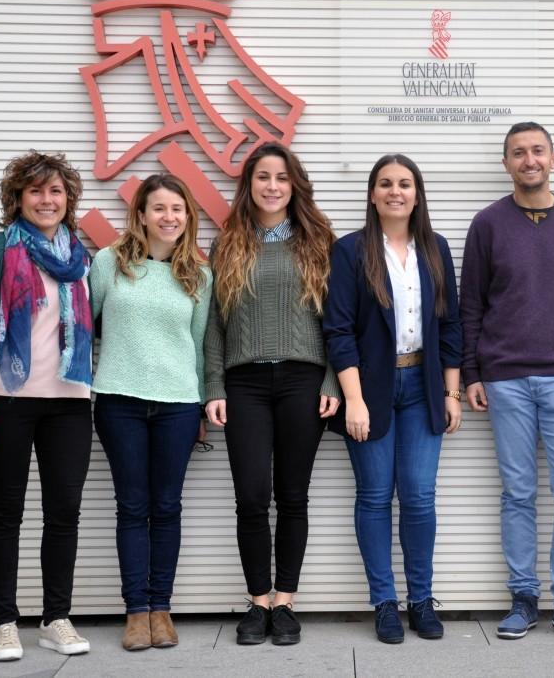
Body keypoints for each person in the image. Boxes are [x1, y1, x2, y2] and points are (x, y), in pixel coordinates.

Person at [459, 122, 554, 644]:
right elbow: (471, 304)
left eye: (538, 150)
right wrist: (472, 373)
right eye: (518, 153)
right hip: (506, 379)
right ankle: (523, 597)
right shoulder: (487, 224)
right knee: (518, 493)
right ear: (506, 163)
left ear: (553, 158)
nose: (529, 160)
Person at [0, 151, 93, 661]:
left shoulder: (83, 259)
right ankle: (4, 623)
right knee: (5, 513)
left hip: (70, 402)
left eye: (56, 191)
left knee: (64, 514)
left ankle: (56, 618)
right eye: (35, 190)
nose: (46, 199)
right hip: (4, 400)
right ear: (17, 198)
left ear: (68, 199)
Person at [204, 142, 340, 647]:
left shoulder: (319, 242)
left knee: (293, 494)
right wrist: (214, 386)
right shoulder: (227, 244)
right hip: (244, 385)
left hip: (304, 382)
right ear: (249, 184)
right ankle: (257, 601)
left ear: (294, 185)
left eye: (282, 177)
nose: (272, 186)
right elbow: (214, 325)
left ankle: (285, 603)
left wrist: (332, 380)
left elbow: (339, 321)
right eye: (263, 176)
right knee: (251, 496)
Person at [323, 154, 462, 644]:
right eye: (385, 183)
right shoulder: (350, 251)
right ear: (372, 194)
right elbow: (338, 330)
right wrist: (354, 400)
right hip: (371, 388)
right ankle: (384, 602)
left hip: (423, 387)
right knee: (376, 496)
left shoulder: (436, 249)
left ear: (417, 194)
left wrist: (451, 392)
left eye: (404, 184)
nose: (395, 192)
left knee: (419, 496)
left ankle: (421, 601)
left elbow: (450, 324)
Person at [90, 174, 212, 651]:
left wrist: (200, 406)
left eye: (177, 209)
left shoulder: (198, 275)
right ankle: (136, 612)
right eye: (159, 208)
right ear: (140, 214)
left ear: (188, 217)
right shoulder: (109, 262)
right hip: (118, 400)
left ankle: (161, 608)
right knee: (132, 506)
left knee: (166, 507)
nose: (169, 217)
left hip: (177, 405)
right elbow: (84, 329)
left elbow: (199, 347)